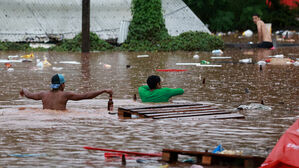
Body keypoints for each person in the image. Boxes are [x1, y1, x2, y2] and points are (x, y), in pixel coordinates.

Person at [20, 74, 113, 110]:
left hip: (45, 117)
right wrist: (103, 90)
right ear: (61, 85)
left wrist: (23, 89)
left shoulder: (43, 94)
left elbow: (29, 95)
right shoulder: (65, 95)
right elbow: (86, 96)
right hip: (61, 118)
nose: (65, 85)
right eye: (64, 83)